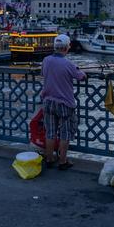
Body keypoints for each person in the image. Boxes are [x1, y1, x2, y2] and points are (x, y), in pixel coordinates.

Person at [40, 34, 86, 170]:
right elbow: (81, 77)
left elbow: (43, 74)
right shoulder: (69, 64)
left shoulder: (46, 60)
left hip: (48, 102)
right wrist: (82, 72)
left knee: (50, 132)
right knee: (65, 133)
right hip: (64, 104)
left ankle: (49, 159)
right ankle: (62, 161)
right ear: (66, 48)